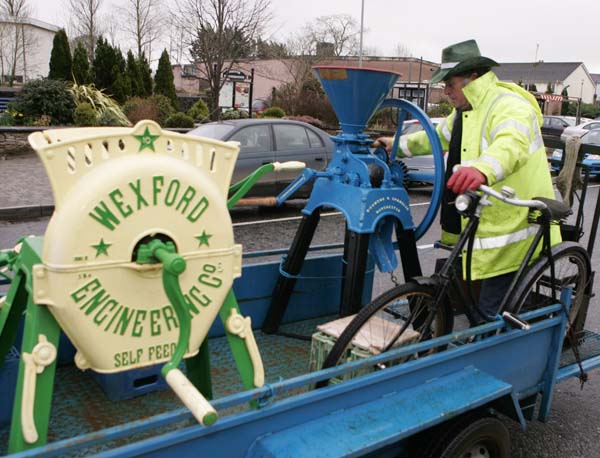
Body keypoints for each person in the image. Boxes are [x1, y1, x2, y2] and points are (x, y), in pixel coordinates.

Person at [377, 39, 560, 318]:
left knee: (490, 312)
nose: (446, 91)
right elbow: (435, 137)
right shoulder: (465, 112)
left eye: (450, 83)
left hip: (515, 225)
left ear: (473, 77)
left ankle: (507, 358)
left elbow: (512, 144)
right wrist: (396, 145)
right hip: (483, 223)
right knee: (469, 301)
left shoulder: (509, 105)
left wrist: (482, 169)